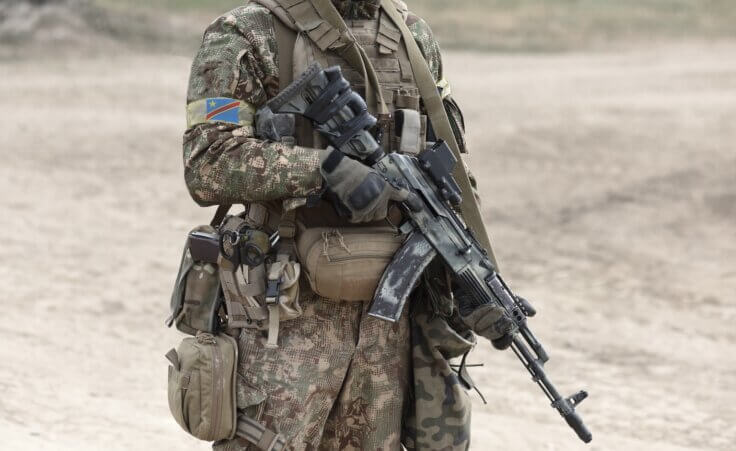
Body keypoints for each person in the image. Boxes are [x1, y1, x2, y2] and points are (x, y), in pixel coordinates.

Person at [182, 0, 513, 449]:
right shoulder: (248, 33)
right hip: (284, 316)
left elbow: (452, 180)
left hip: (388, 329)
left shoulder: (413, 37)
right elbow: (208, 163)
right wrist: (324, 169)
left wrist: (474, 283)